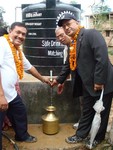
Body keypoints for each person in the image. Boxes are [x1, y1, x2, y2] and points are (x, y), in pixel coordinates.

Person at [54, 12, 113, 149]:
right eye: (64, 26)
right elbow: (69, 65)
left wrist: (99, 80)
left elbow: (102, 57)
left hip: (102, 83)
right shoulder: (73, 43)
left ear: (77, 22)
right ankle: (81, 134)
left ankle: (98, 137)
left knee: (102, 112)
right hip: (87, 85)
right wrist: (59, 80)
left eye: (68, 24)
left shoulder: (91, 34)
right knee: (87, 110)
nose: (67, 28)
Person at [0, 22, 51, 150]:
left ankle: (21, 135)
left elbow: (30, 67)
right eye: (17, 32)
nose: (20, 36)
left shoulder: (17, 50)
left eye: (23, 34)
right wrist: (1, 96)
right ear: (10, 31)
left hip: (10, 93)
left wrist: (43, 79)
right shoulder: (2, 43)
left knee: (20, 111)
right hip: (1, 94)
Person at [54, 26, 82, 128]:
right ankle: (83, 123)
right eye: (58, 37)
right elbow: (68, 67)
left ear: (68, 32)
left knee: (90, 103)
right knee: (82, 102)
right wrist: (61, 82)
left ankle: (88, 127)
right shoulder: (67, 49)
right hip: (78, 79)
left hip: (89, 79)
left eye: (62, 35)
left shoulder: (80, 43)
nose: (60, 38)